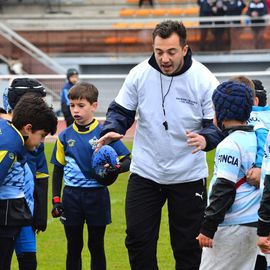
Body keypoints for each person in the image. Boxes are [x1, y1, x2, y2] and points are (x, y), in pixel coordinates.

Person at [97, 20, 221, 269]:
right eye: (159, 51)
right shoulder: (139, 74)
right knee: (137, 241)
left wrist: (207, 139)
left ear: (185, 49)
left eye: (171, 51)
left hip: (188, 176)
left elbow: (217, 125)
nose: (164, 58)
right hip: (146, 172)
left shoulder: (204, 80)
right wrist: (113, 128)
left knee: (188, 247)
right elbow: (120, 110)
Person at [50, 82, 131, 270]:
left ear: (94, 106)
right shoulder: (64, 136)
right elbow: (58, 170)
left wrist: (114, 169)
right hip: (71, 197)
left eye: (81, 105)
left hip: (97, 196)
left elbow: (127, 160)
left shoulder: (104, 133)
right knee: (74, 247)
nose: (75, 111)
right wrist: (56, 199)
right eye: (72, 106)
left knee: (96, 246)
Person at [197, 81, 260, 270]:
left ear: (221, 111)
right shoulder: (255, 138)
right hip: (252, 223)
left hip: (232, 225)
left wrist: (208, 227)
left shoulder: (229, 144)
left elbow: (224, 188)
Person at [0, 95, 57, 270]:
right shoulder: (12, 144)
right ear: (28, 128)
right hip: (7, 214)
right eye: (42, 136)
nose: (41, 142)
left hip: (15, 211)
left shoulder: (7, 128)